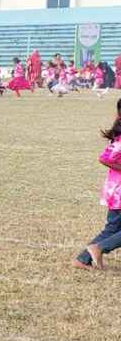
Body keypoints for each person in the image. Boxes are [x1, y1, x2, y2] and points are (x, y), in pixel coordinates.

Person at [75, 98, 121, 270]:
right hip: (119, 192)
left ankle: (83, 259)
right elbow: (104, 158)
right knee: (112, 229)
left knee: (112, 229)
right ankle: (99, 248)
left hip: (115, 191)